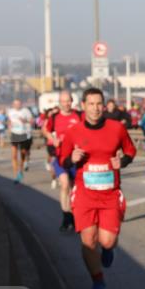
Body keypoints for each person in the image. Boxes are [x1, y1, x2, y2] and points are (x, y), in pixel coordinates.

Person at [56, 88, 137, 289]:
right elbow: (62, 159)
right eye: (91, 104)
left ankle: (109, 249)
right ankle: (98, 281)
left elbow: (130, 150)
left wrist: (123, 161)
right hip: (84, 193)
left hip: (110, 193)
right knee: (89, 241)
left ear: (104, 105)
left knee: (107, 240)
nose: (95, 108)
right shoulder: (74, 132)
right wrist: (71, 159)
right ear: (83, 106)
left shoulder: (116, 128)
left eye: (99, 103)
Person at [44, 90, 83, 232]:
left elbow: (87, 130)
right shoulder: (54, 117)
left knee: (74, 189)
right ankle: (66, 216)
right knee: (65, 184)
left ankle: (72, 216)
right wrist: (52, 138)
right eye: (63, 101)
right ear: (59, 103)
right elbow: (45, 129)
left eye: (68, 101)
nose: (66, 104)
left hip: (76, 158)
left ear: (71, 101)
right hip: (61, 157)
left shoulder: (79, 115)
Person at [7, 99, 34, 184]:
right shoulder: (10, 111)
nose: (17, 105)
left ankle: (21, 170)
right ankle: (16, 175)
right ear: (13, 104)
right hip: (14, 133)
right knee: (14, 155)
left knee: (22, 154)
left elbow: (32, 121)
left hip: (23, 133)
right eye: (15, 104)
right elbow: (9, 121)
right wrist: (9, 125)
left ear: (21, 104)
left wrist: (25, 121)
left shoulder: (25, 111)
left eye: (18, 104)